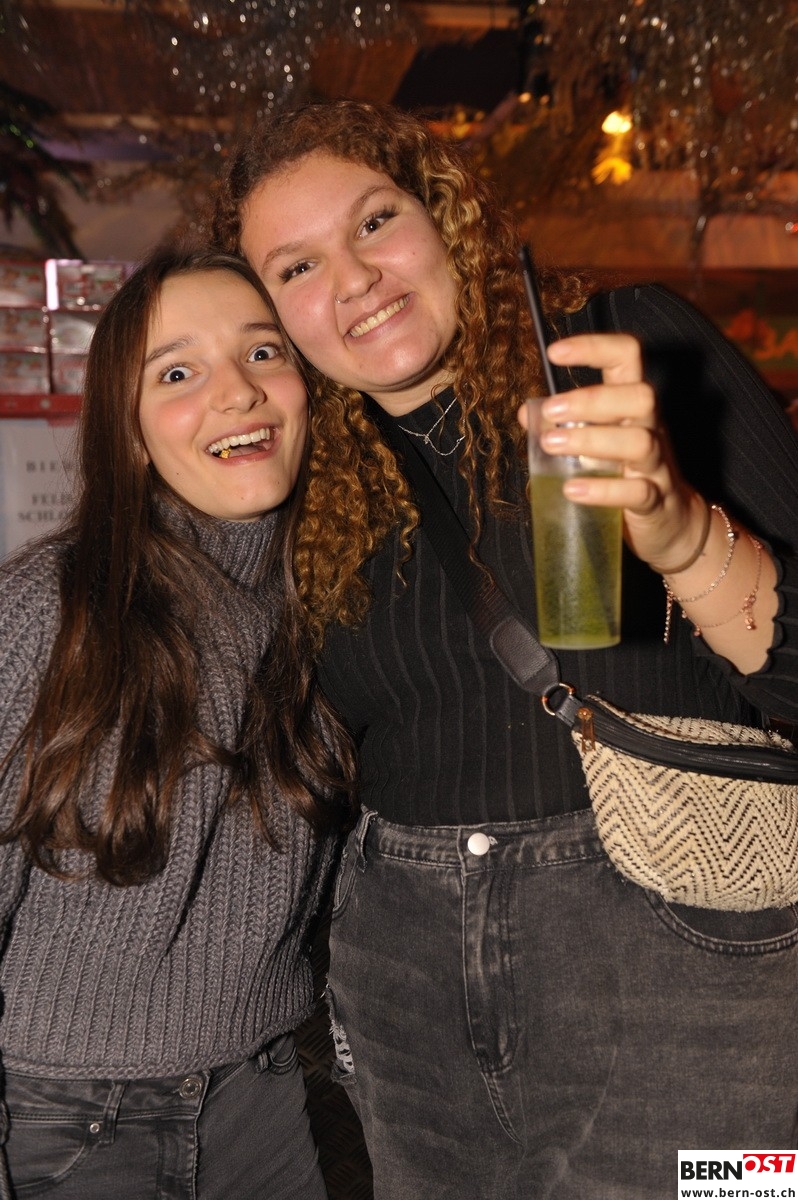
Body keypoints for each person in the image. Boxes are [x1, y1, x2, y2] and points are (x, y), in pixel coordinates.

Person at [211, 100, 798, 1199]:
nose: (355, 278)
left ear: (444, 215)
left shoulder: (623, 347)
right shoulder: (299, 475)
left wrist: (681, 533)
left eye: (375, 221)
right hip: (408, 983)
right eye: (297, 267)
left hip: (693, 956)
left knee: (738, 1190)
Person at [0, 247, 356, 1199]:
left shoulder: (336, 611)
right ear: (127, 430)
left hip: (267, 1104)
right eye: (177, 373)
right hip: (59, 1121)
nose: (237, 392)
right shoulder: (51, 611)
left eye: (264, 353)